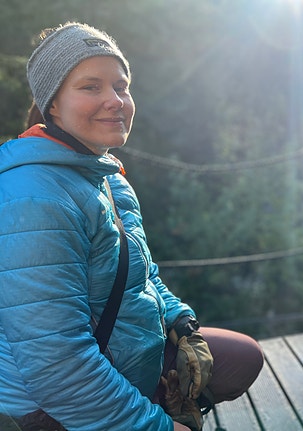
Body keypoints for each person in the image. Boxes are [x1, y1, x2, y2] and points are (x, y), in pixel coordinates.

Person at [0, 22, 263, 431]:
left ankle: (152, 399)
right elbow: (57, 364)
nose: (115, 100)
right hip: (51, 403)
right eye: (91, 87)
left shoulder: (106, 176)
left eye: (121, 86)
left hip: (123, 353)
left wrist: (182, 322)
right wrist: (156, 426)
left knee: (241, 358)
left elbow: (142, 275)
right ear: (52, 105)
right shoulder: (33, 197)